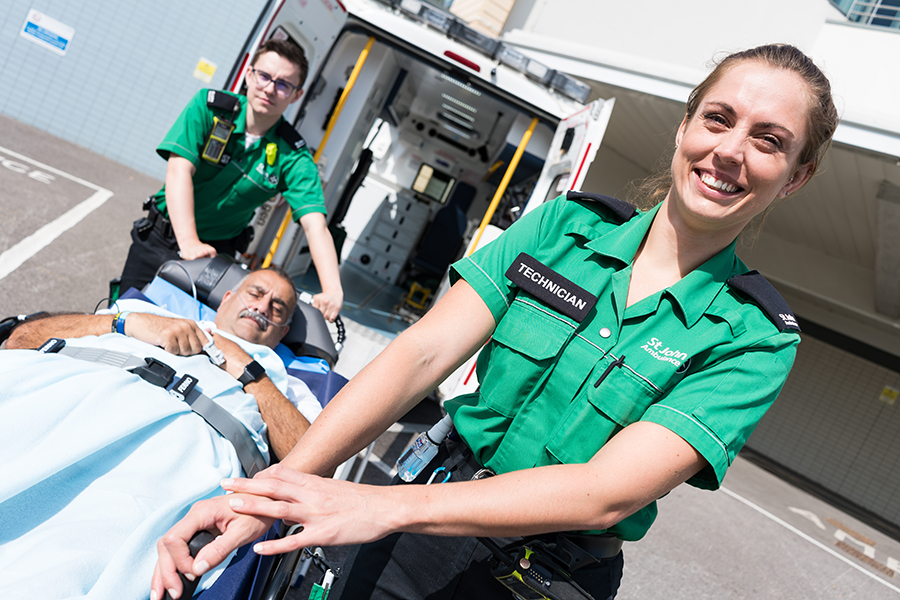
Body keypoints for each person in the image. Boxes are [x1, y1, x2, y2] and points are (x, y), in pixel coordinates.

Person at [152, 44, 840, 600]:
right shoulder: (565, 228)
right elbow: (422, 355)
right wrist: (276, 493)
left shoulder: (753, 336)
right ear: (688, 123)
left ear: (797, 176)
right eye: (718, 119)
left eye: (769, 141)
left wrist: (380, 507)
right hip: (424, 514)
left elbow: (606, 494)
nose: (729, 151)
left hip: (544, 578)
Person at [1, 267, 324, 599]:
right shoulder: (148, 314)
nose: (262, 306)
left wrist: (246, 368)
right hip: (71, 382)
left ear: (282, 332)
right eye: (256, 293)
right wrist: (125, 323)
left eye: (277, 307)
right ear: (228, 298)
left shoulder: (284, 382)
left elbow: (317, 459)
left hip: (172, 443)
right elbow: (20, 339)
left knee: (61, 565)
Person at [117, 39, 343, 322]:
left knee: (185, 341)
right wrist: (189, 242)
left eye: (284, 84)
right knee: (122, 319)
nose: (270, 89)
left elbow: (315, 225)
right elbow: (179, 170)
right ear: (249, 74)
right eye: (264, 76)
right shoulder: (209, 108)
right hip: (161, 238)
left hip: (214, 259)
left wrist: (333, 290)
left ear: (296, 95)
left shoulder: (293, 156)